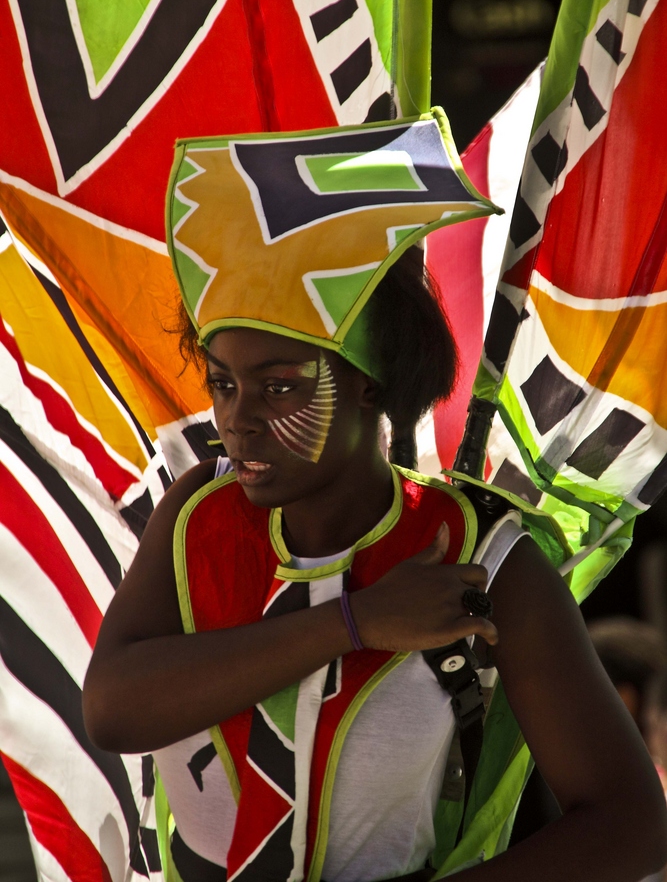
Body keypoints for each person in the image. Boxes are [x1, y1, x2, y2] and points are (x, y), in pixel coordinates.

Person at [83, 118, 667, 881]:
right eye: (223, 383)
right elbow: (114, 710)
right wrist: (354, 623)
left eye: (279, 386)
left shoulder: (483, 553)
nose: (236, 417)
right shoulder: (196, 514)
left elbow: (629, 825)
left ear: (370, 385)